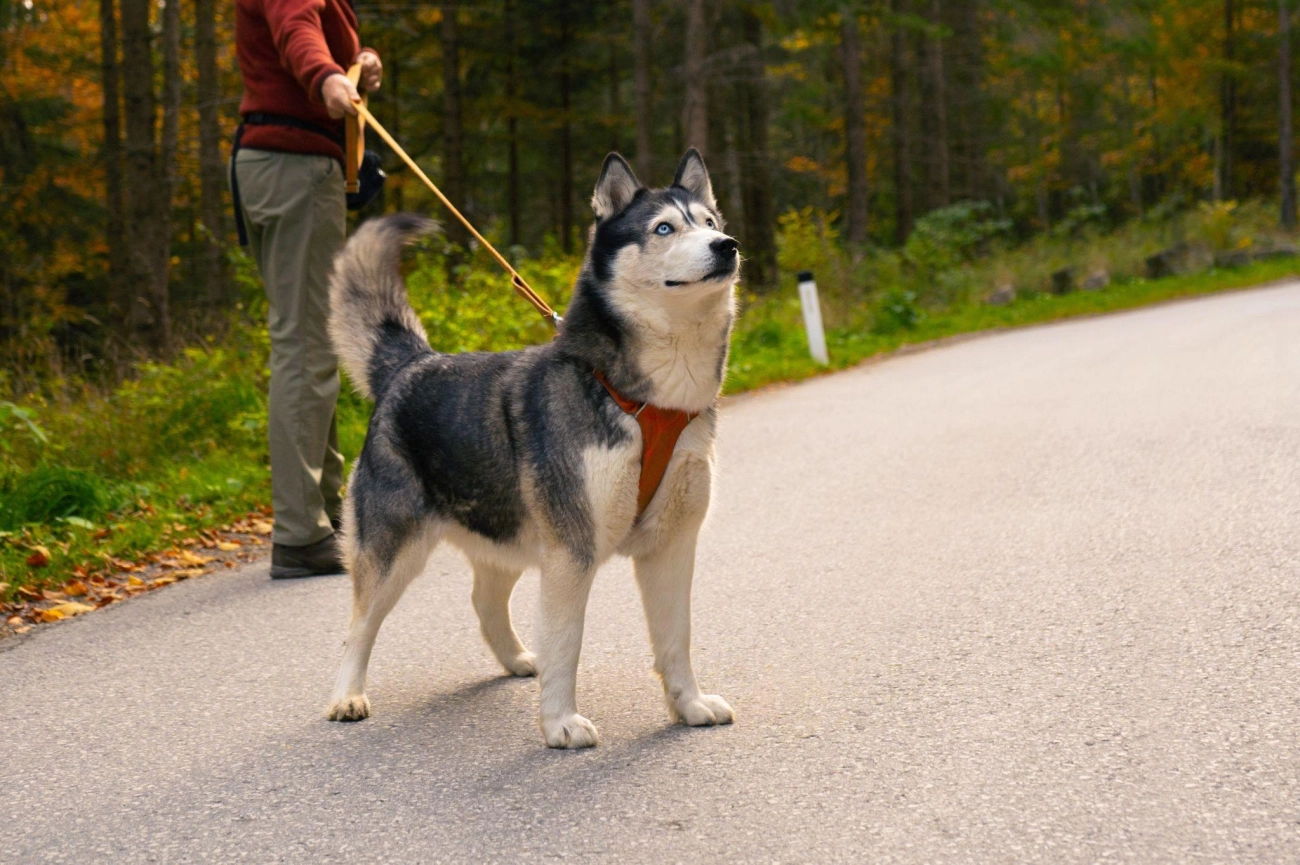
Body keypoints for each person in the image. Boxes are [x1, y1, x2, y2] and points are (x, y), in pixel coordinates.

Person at [230, 0, 381, 578]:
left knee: (308, 339)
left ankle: (322, 514)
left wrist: (358, 63)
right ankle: (300, 534)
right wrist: (324, 79)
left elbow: (307, 33)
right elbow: (295, 29)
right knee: (306, 347)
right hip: (294, 168)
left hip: (282, 164)